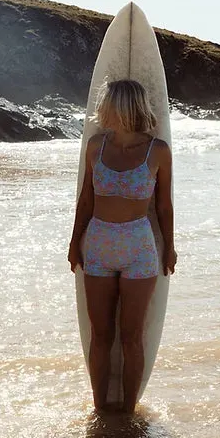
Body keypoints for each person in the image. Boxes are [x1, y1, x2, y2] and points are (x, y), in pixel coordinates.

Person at [68, 79, 176, 415]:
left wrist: (170, 247)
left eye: (106, 103)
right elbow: (86, 200)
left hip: (139, 250)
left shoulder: (157, 151)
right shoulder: (95, 146)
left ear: (120, 107)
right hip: (98, 245)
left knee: (132, 337)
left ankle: (129, 412)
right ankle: (100, 410)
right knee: (101, 336)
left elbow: (164, 206)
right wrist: (74, 242)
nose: (100, 110)